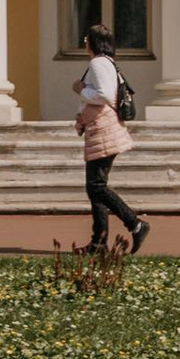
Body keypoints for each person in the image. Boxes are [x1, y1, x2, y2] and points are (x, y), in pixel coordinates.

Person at [73, 32, 147, 254]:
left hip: (103, 129)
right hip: (101, 129)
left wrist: (80, 90)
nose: (84, 42)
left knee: (96, 187)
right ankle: (98, 243)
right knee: (95, 188)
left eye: (87, 38)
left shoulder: (98, 63)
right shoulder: (106, 63)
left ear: (94, 42)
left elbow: (105, 95)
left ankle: (135, 224)